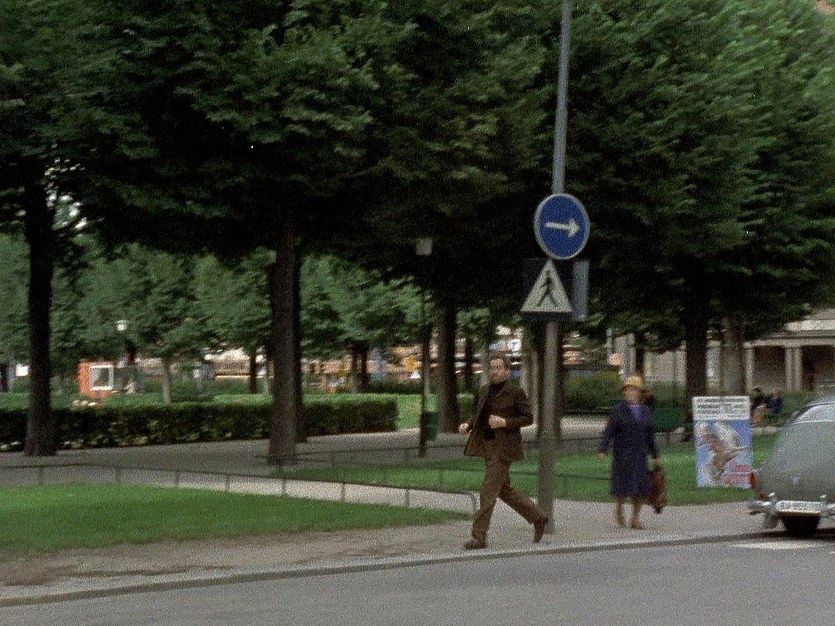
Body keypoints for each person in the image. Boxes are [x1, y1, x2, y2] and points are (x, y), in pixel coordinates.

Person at [458, 353, 548, 549]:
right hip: (488, 447)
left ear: (507, 370)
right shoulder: (485, 390)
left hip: (504, 449)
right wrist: (468, 424)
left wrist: (505, 422)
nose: (495, 372)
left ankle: (479, 537)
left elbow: (528, 418)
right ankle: (538, 517)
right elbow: (479, 414)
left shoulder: (515, 392)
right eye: (492, 368)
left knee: (487, 491)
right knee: (503, 490)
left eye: (499, 368)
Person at [597, 375, 661, 530]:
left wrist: (655, 455)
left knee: (640, 488)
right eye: (628, 390)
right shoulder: (617, 411)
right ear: (624, 393)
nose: (630, 393)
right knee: (621, 486)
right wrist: (603, 449)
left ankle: (635, 518)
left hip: (640, 456)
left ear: (639, 393)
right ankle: (619, 508)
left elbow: (650, 435)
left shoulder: (645, 411)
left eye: (634, 390)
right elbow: (608, 432)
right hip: (622, 455)